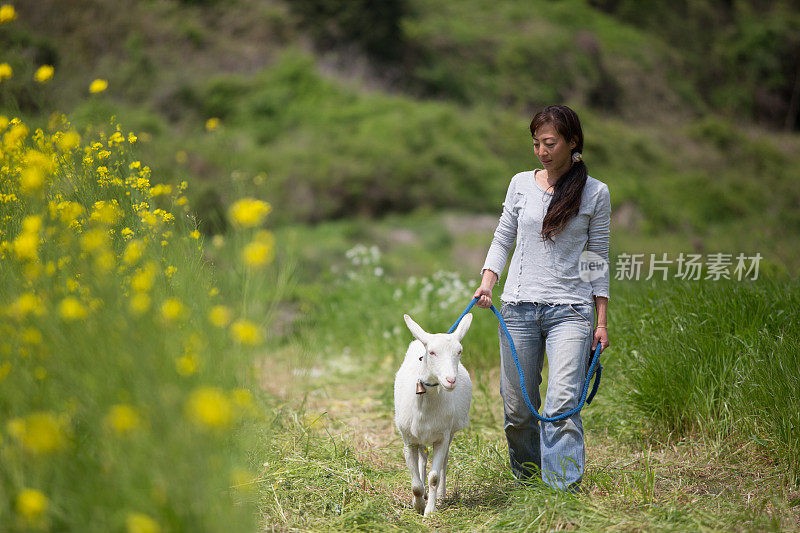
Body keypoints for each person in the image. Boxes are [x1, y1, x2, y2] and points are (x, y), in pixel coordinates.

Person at [472, 104, 611, 492]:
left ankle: (561, 493)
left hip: (571, 311)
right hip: (518, 308)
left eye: (550, 143)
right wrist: (488, 281)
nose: (542, 151)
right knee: (518, 411)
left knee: (561, 407)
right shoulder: (520, 183)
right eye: (536, 143)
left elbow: (596, 259)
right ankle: (529, 482)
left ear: (573, 143)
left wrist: (600, 322)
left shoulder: (596, 193)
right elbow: (503, 237)